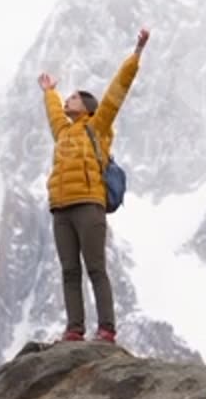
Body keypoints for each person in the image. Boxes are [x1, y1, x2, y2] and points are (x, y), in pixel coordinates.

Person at [37, 27, 150, 343]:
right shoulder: (63, 132)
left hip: (88, 203)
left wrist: (137, 53)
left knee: (96, 268)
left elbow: (118, 90)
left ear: (86, 107)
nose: (66, 102)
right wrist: (49, 92)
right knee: (69, 271)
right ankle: (74, 329)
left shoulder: (98, 126)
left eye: (71, 98)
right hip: (61, 208)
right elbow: (53, 115)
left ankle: (106, 329)